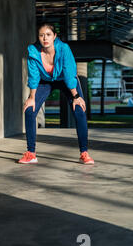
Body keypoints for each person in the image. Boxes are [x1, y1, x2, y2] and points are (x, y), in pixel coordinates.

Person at [18, 23, 95, 165]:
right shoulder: (33, 51)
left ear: (54, 36)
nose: (45, 38)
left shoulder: (63, 49)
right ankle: (31, 153)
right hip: (45, 80)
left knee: (79, 110)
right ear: (38, 37)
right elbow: (34, 76)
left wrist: (76, 96)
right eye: (41, 35)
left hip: (66, 80)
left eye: (48, 35)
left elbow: (69, 72)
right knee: (30, 109)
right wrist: (32, 97)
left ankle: (84, 153)